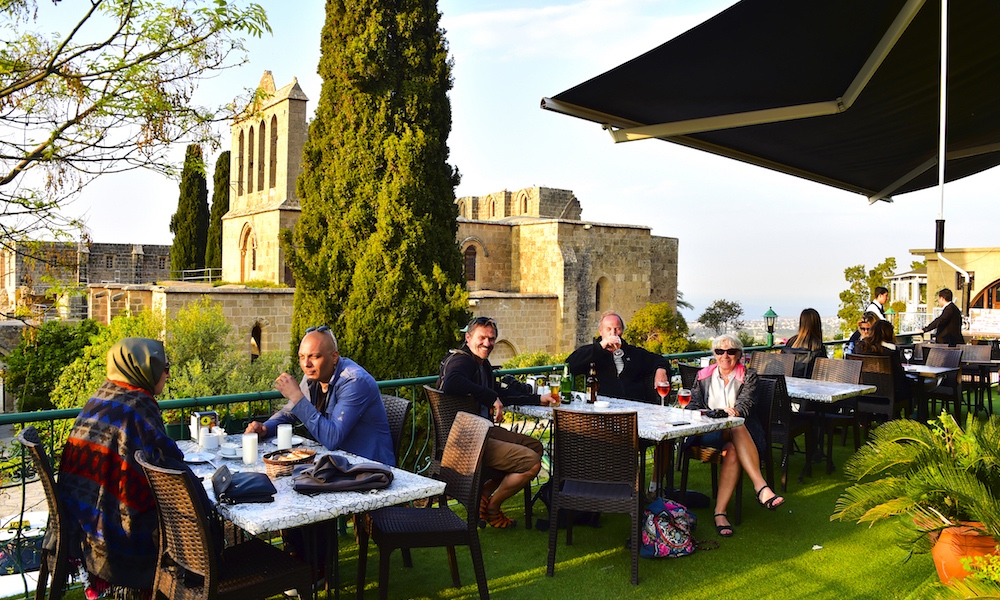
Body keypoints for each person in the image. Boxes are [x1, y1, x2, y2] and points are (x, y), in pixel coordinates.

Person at [56, 338, 180, 598]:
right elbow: (167, 469)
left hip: (81, 523)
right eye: (163, 366)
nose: (167, 373)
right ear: (143, 369)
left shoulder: (104, 395)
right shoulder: (138, 404)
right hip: (115, 532)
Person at [437, 316, 559, 529]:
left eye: (491, 339)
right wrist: (489, 397)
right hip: (465, 441)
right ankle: (492, 507)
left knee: (535, 446)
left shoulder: (481, 365)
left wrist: (538, 398)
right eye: (482, 337)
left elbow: (499, 393)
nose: (487, 343)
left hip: (480, 431)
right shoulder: (462, 360)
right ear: (468, 337)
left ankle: (485, 492)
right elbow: (452, 382)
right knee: (531, 463)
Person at [246, 325, 394, 466]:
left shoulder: (354, 382)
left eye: (314, 356)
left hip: (369, 468)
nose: (306, 364)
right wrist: (265, 428)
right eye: (301, 356)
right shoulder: (314, 376)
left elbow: (332, 438)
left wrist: (297, 396)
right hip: (337, 464)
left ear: (334, 357)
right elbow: (289, 413)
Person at [687, 334, 784, 538]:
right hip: (709, 432)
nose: (725, 356)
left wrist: (734, 413)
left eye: (731, 351)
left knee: (734, 438)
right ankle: (761, 487)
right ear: (714, 354)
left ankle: (720, 513)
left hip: (744, 435)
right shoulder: (703, 376)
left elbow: (745, 406)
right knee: (734, 427)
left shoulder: (748, 376)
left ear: (739, 354)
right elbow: (693, 405)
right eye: (720, 351)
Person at [566, 311, 672, 401]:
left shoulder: (632, 352)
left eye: (617, 329)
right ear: (600, 331)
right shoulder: (592, 353)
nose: (613, 333)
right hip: (603, 408)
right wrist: (601, 346)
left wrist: (660, 370)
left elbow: (658, 359)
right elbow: (570, 364)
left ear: (622, 331)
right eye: (609, 329)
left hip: (635, 408)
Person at [782, 308, 828, 377]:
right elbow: (825, 371)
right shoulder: (817, 345)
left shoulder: (791, 342)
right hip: (810, 385)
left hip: (789, 383)